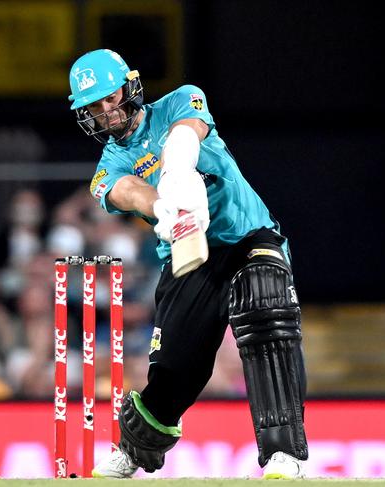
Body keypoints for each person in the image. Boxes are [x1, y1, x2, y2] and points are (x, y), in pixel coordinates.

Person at [66, 49, 308, 479]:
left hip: (247, 236)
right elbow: (131, 193)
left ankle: (282, 454)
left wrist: (179, 175)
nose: (107, 110)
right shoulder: (106, 169)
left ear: (130, 86)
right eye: (95, 106)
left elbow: (185, 136)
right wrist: (168, 210)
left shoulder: (182, 99)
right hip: (187, 253)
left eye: (111, 96)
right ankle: (135, 450)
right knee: (176, 366)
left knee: (264, 307)